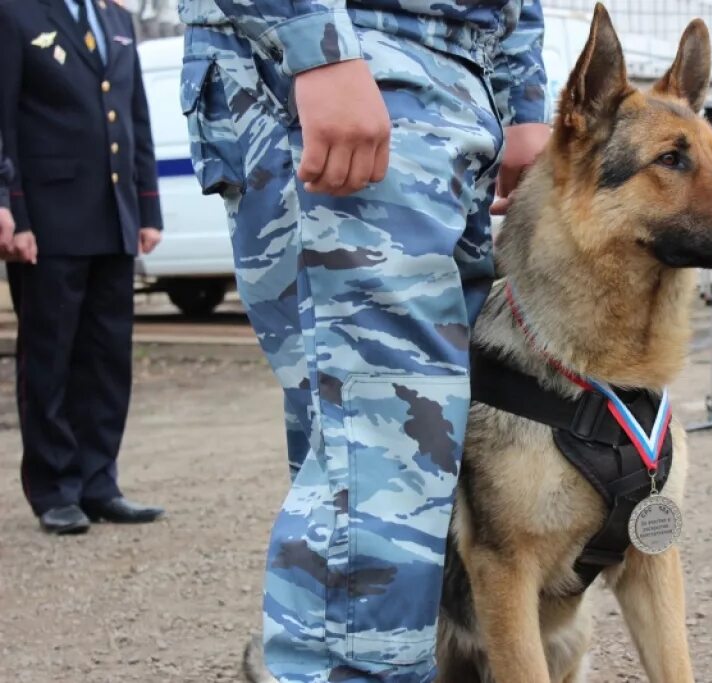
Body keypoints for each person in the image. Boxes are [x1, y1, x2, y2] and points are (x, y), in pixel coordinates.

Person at [179, 0, 550, 679]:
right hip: (356, 56)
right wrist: (313, 41)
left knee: (420, 451)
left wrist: (522, 95)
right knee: (384, 454)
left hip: (460, 82)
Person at [0, 0, 166, 534]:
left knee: (107, 359)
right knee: (50, 359)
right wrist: (13, 210)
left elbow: (135, 117)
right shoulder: (16, 14)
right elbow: (4, 118)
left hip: (113, 216)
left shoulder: (116, 18)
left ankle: (99, 483)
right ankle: (55, 489)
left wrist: (147, 208)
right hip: (48, 220)